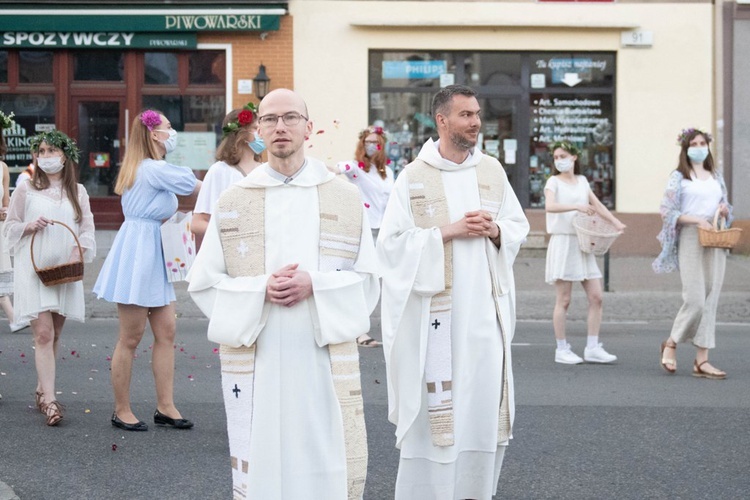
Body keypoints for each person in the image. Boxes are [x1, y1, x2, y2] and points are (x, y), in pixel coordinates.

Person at [187, 89, 379, 499]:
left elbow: (370, 279)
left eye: (290, 117)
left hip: (320, 356)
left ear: (308, 128)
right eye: (270, 119)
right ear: (257, 131)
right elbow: (204, 283)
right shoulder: (235, 199)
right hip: (263, 353)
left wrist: (316, 284)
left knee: (322, 458)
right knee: (266, 463)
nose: (280, 126)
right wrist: (261, 290)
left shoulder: (343, 196)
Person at [377, 84, 530, 499]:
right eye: (465, 115)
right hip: (435, 324)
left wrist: (496, 230)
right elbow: (389, 247)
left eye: (477, 114)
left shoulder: (492, 171)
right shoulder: (413, 177)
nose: (476, 122)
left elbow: (518, 226)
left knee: (479, 409)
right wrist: (448, 232)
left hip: (484, 316)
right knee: (437, 415)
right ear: (441, 121)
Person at [93, 109, 201, 431]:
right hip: (139, 252)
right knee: (130, 336)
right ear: (155, 135)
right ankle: (121, 409)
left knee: (166, 331)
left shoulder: (150, 169)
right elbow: (191, 184)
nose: (173, 132)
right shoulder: (154, 168)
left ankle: (165, 406)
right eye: (169, 127)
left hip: (154, 250)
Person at [3, 130, 96, 426]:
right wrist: (28, 226)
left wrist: (78, 249)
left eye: (51, 151)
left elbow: (87, 230)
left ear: (65, 156)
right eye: (41, 152)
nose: (45, 157)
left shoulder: (78, 191)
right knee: (42, 333)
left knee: (54, 333)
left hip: (63, 271)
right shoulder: (26, 188)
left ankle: (43, 387)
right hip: (33, 270)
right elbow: (9, 226)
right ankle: (51, 401)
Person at [653, 128, 732, 379]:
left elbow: (726, 205)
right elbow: (667, 211)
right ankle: (672, 342)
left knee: (711, 298)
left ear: (708, 146)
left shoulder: (716, 176)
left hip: (715, 238)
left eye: (702, 142)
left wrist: (723, 210)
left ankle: (702, 360)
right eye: (694, 143)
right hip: (690, 236)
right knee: (695, 297)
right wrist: (696, 220)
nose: (699, 146)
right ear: (686, 148)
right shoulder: (679, 177)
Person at [543, 141, 626, 365]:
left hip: (583, 242)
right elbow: (549, 206)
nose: (559, 159)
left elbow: (597, 205)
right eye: (556, 156)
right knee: (564, 299)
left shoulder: (582, 181)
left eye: (563, 155)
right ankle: (561, 348)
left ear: (574, 158)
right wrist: (576, 207)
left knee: (596, 297)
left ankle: (592, 346)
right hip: (563, 242)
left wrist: (615, 222)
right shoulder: (553, 182)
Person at [335, 124, 394, 348]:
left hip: (385, 230)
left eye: (375, 143)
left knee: (385, 280)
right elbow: (337, 169)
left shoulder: (387, 172)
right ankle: (360, 331)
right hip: (365, 231)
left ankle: (388, 328)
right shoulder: (356, 169)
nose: (371, 146)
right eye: (367, 142)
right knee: (363, 279)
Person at [191, 102, 263, 240]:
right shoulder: (219, 171)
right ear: (240, 134)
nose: (262, 133)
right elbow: (198, 223)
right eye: (255, 128)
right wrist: (231, 233)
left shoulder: (265, 170)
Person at [0, 110, 28, 333]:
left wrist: (7, 213)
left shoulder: (3, 168)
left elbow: (6, 200)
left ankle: (14, 317)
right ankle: (14, 317)